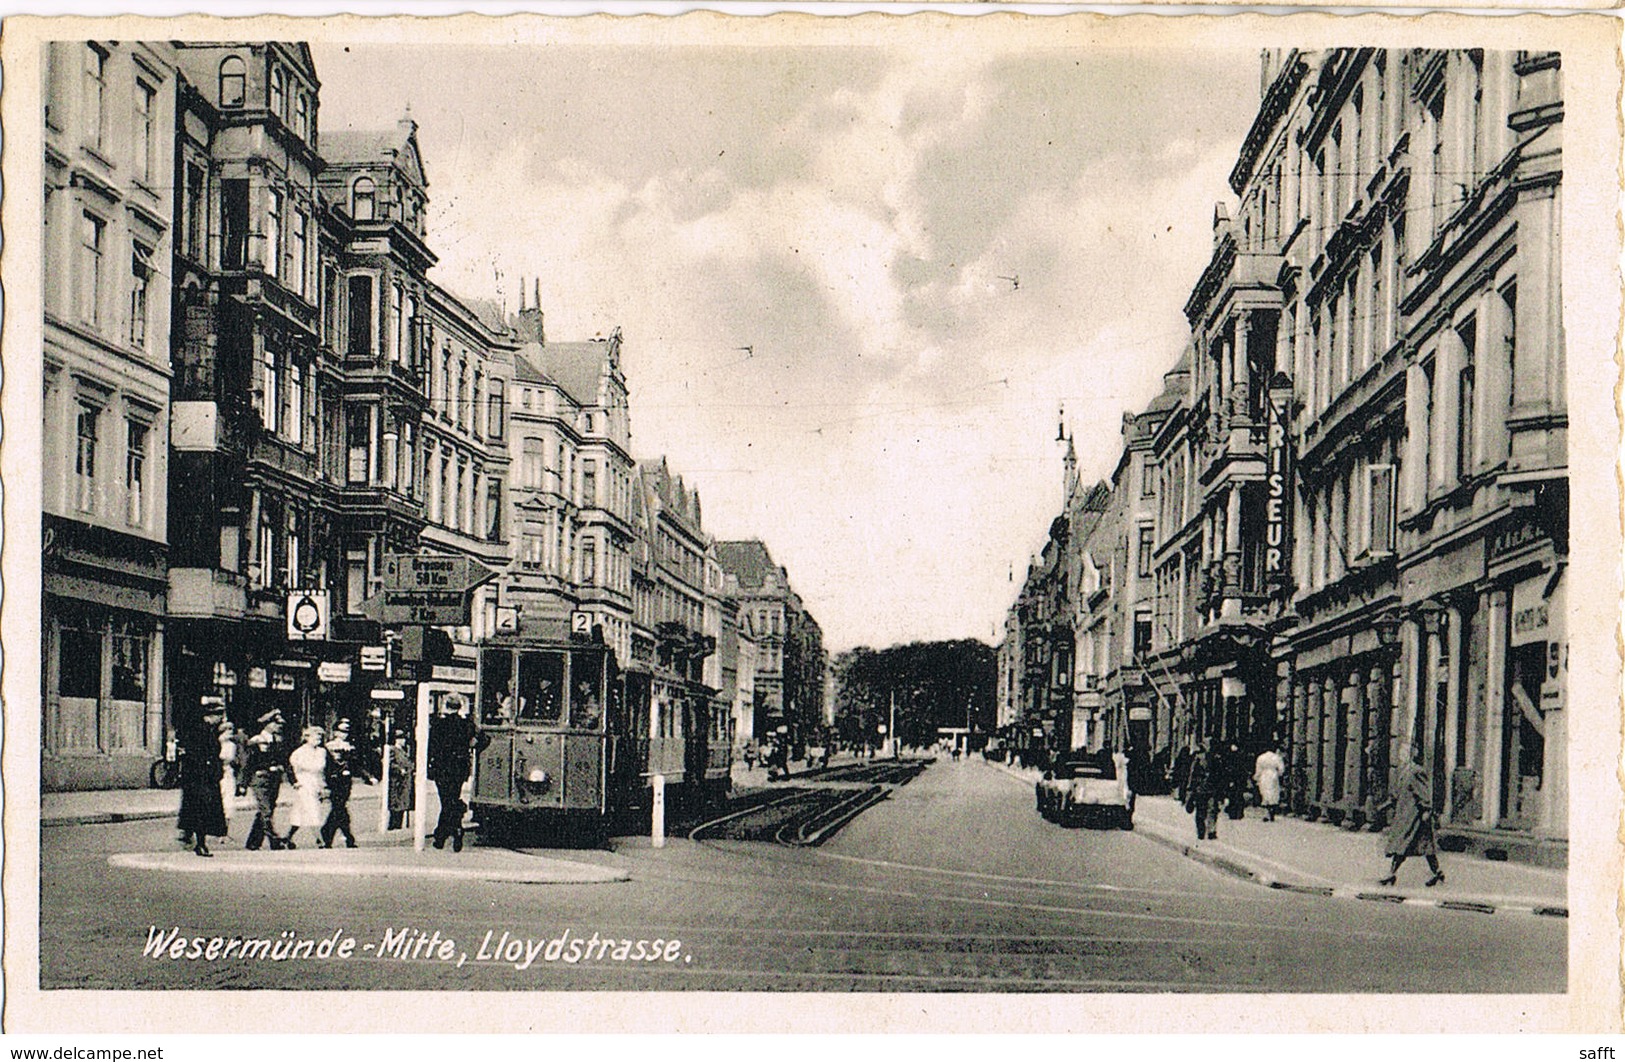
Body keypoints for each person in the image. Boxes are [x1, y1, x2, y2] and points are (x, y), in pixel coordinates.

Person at [1379, 746, 1445, 887]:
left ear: (1412, 754)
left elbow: (1423, 793)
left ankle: (1391, 874)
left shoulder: (1417, 772)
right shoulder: (1404, 772)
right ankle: (1437, 873)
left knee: (1404, 844)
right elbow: (1397, 794)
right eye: (1401, 752)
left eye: (1404, 752)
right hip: (1405, 815)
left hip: (1416, 817)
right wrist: (1385, 805)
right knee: (1425, 847)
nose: (1401, 755)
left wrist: (1426, 809)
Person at [176, 706, 227, 857]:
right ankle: (200, 843)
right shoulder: (202, 731)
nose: (221, 720)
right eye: (219, 716)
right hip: (201, 778)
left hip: (203, 778)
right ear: (211, 716)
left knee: (198, 811)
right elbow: (200, 755)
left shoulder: (209, 730)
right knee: (202, 811)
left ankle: (191, 836)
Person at [428, 698, 474, 850]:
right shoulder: (466, 724)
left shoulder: (438, 725)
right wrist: (471, 745)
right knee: (452, 798)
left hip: (442, 768)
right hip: (459, 768)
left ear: (446, 707)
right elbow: (482, 739)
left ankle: (442, 835)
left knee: (446, 801)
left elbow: (431, 747)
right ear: (459, 707)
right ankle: (455, 829)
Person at [243, 715, 292, 850]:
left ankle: (253, 842)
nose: (279, 726)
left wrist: (291, 778)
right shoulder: (257, 740)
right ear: (267, 724)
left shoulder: (278, 740)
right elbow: (247, 763)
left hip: (274, 779)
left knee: (267, 809)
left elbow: (284, 760)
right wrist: (242, 784)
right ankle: (274, 840)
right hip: (260, 778)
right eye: (276, 723)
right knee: (266, 810)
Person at [320, 719, 367, 848]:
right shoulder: (330, 746)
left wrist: (367, 777)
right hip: (334, 780)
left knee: (339, 808)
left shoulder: (350, 746)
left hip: (346, 782)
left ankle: (330, 835)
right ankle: (345, 837)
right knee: (340, 808)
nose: (344, 734)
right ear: (335, 732)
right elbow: (328, 765)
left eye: (346, 731)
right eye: (341, 731)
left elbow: (355, 765)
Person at [285, 725, 329, 850]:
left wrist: (324, 785)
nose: (319, 738)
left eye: (320, 736)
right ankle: (320, 840)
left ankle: (288, 838)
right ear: (307, 737)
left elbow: (323, 770)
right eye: (316, 735)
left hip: (317, 783)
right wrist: (294, 782)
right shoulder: (299, 752)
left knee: (300, 812)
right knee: (312, 809)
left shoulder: (322, 752)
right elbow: (290, 769)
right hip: (304, 783)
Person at [1184, 739, 1222, 841]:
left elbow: (1220, 776)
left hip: (1208, 789)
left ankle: (1209, 831)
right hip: (1202, 789)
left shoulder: (1215, 759)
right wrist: (1190, 788)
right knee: (1205, 810)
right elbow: (1192, 775)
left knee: (1210, 810)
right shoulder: (1200, 758)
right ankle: (1205, 831)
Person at [385, 729, 414, 831]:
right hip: (397, 782)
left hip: (404, 781)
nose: (403, 741)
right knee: (396, 804)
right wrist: (399, 770)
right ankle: (393, 826)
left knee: (402, 804)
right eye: (401, 739)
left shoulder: (404, 751)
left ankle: (398, 825)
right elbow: (390, 764)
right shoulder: (393, 750)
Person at [217, 721, 241, 831]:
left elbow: (233, 760)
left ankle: (225, 828)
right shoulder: (215, 744)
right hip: (217, 774)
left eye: (231, 729)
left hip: (228, 774)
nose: (230, 732)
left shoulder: (232, 746)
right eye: (228, 730)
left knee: (228, 801)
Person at [1253, 744, 1286, 822]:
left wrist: (1256, 777)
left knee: (1265, 793)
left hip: (1264, 776)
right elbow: (1281, 769)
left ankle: (1266, 812)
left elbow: (1258, 770)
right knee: (1273, 794)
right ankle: (1272, 811)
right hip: (1273, 776)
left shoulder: (1261, 757)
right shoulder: (1276, 758)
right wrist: (1279, 774)